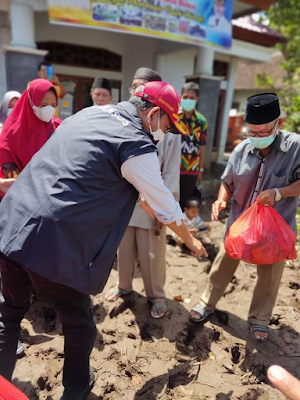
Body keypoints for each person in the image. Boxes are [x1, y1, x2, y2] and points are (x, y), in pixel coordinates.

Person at [0, 80, 207, 399]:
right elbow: (167, 207)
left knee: (10, 311)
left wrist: (142, 199)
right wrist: (191, 242)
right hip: (52, 241)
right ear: (153, 114)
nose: (164, 133)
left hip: (11, 224)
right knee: (80, 323)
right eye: (166, 124)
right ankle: (77, 389)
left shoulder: (87, 114)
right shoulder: (136, 143)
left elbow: (87, 172)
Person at [190, 93, 300, 342]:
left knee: (270, 273)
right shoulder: (241, 149)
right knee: (222, 264)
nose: (257, 138)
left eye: (263, 132)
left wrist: (279, 193)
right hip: (240, 222)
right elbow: (227, 182)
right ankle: (206, 303)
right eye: (252, 132)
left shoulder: (295, 148)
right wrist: (221, 199)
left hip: (276, 225)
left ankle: (259, 319)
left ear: (278, 124)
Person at [105, 67, 182, 319]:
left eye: (142, 86)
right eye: (133, 86)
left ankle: (156, 295)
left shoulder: (168, 130)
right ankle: (124, 286)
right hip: (127, 200)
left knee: (152, 254)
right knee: (123, 249)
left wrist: (163, 206)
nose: (136, 90)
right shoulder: (125, 122)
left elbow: (170, 173)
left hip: (154, 202)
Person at [0, 79, 61, 181]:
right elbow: (5, 158)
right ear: (30, 102)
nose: (49, 109)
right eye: (44, 105)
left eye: (53, 105)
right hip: (19, 190)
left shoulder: (59, 127)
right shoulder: (11, 131)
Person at [179, 82, 208, 209]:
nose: (188, 100)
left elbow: (202, 146)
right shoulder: (174, 117)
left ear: (197, 99)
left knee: (186, 203)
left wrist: (200, 170)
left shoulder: (201, 121)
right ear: (180, 97)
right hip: (174, 168)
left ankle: (180, 228)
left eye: (191, 98)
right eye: (185, 97)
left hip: (192, 170)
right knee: (170, 201)